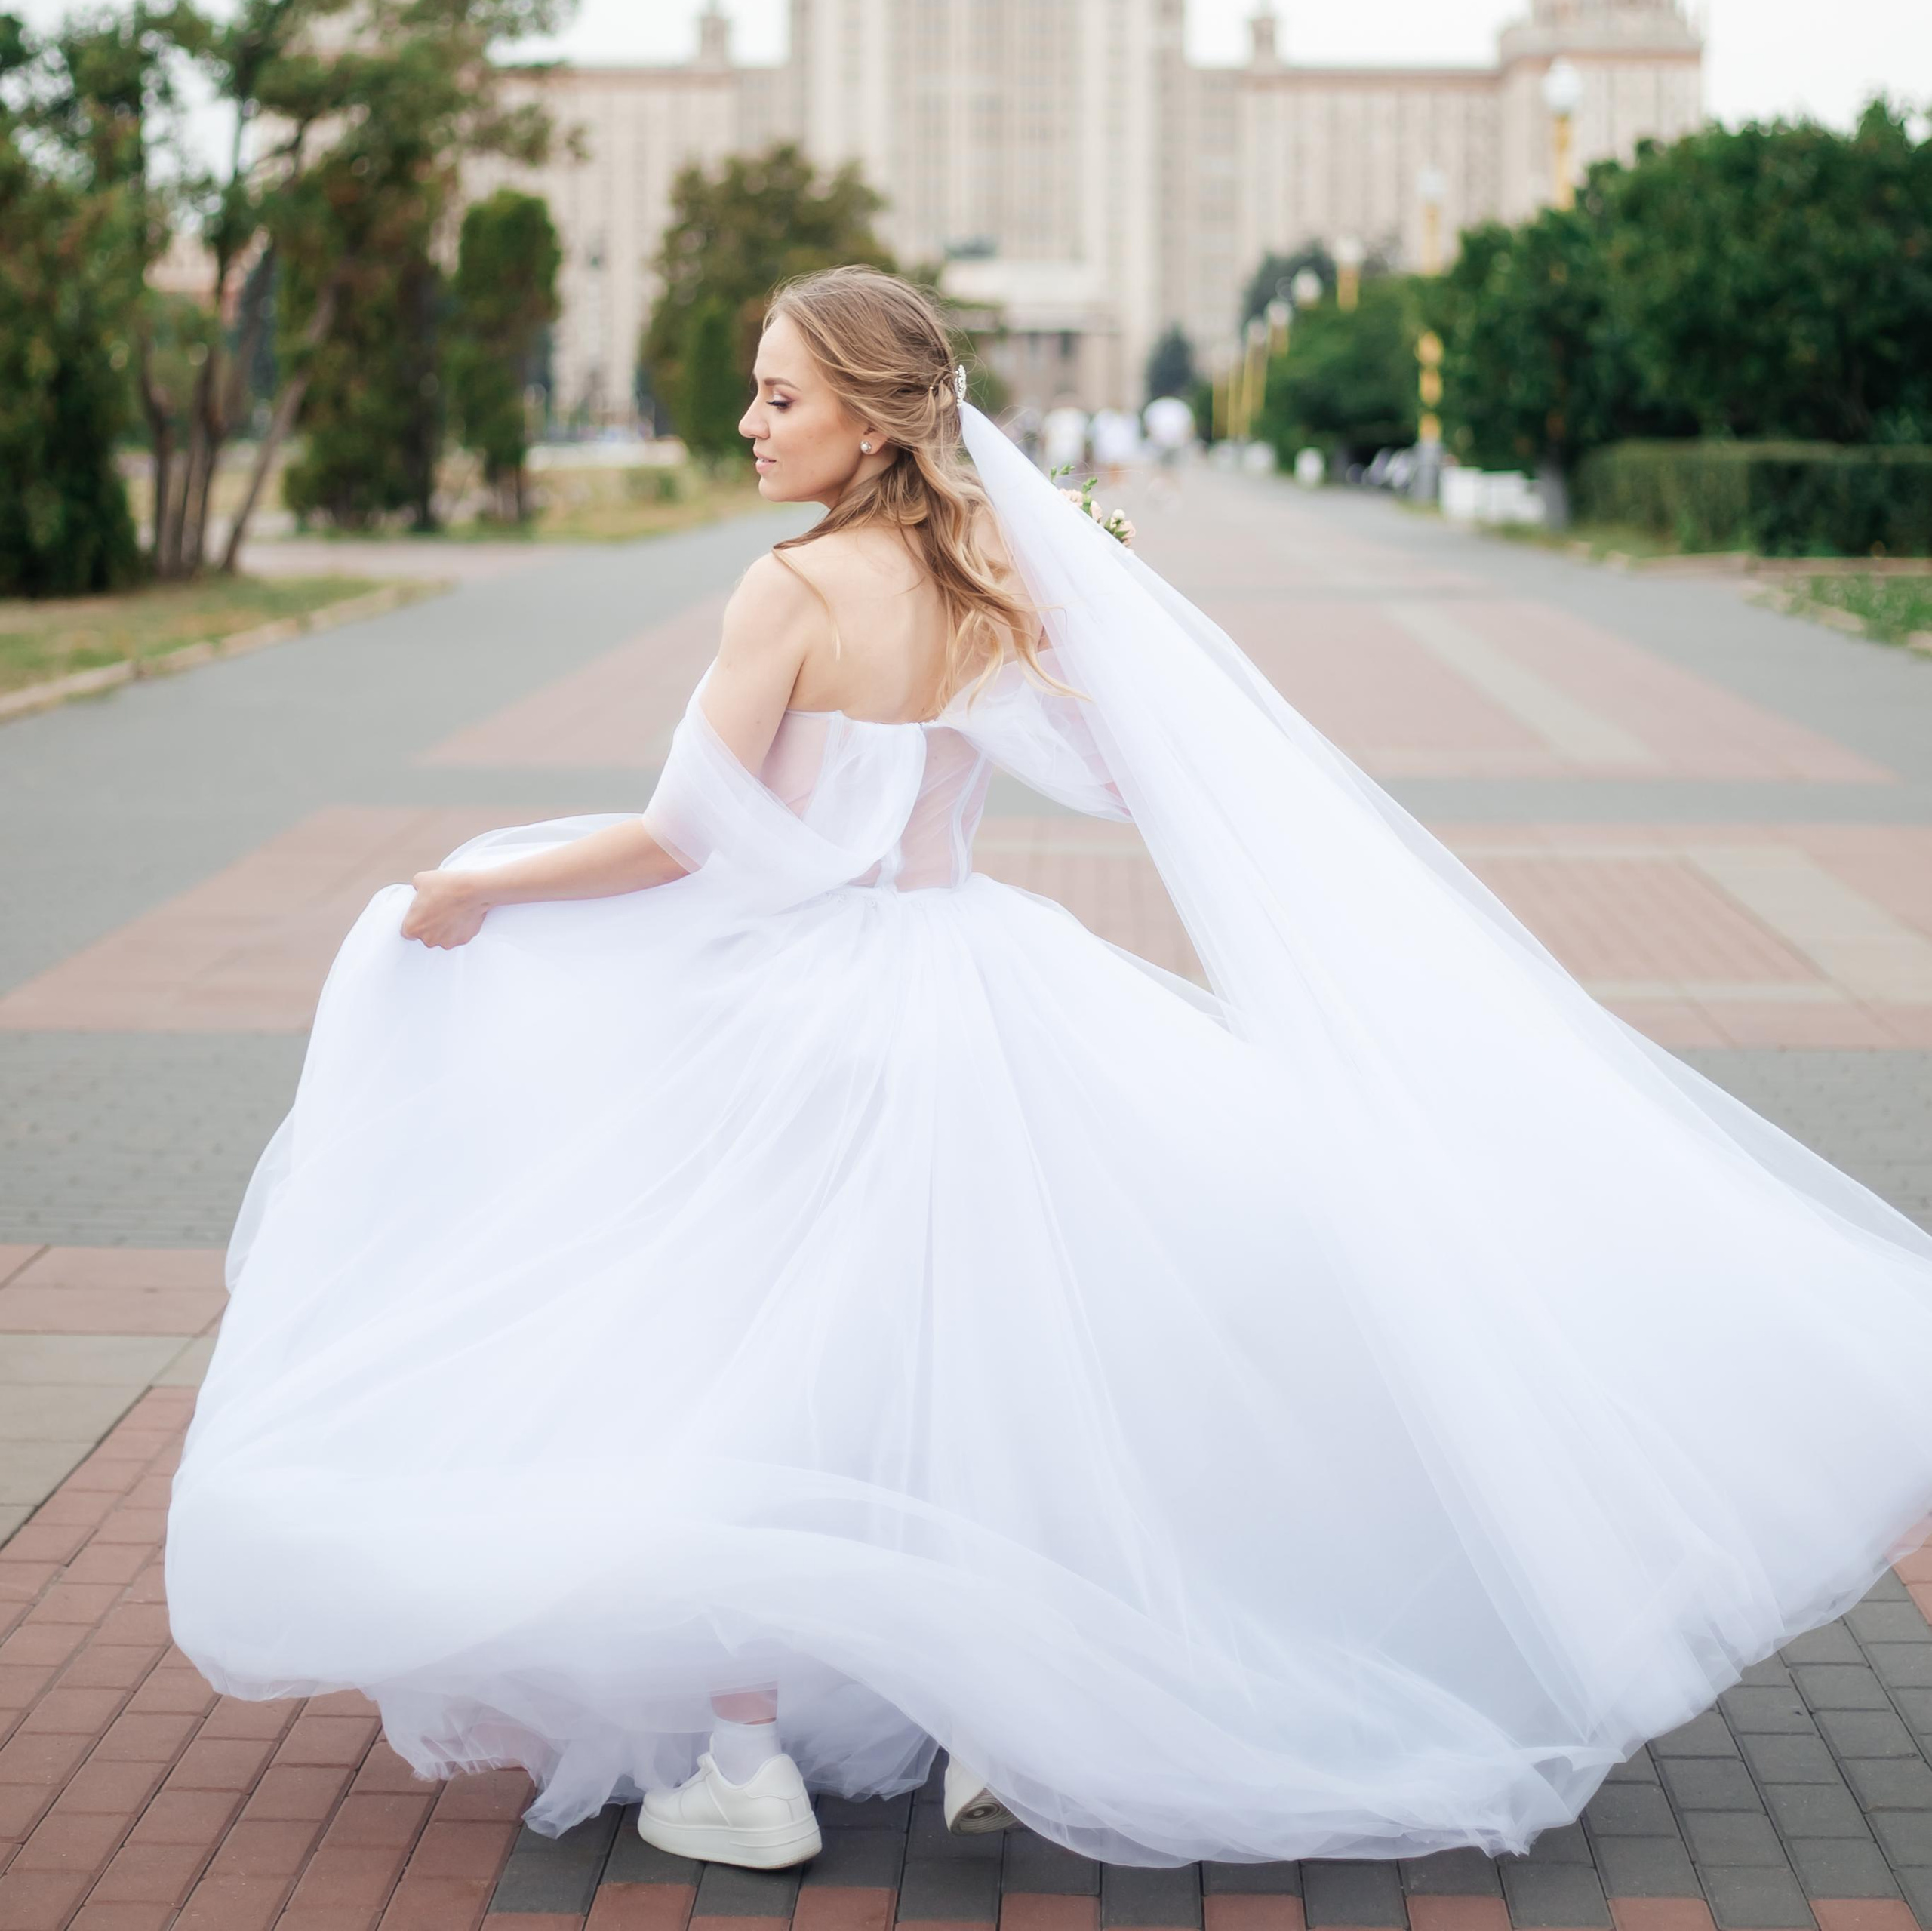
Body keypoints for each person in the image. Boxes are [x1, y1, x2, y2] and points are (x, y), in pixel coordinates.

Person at [167, 267, 1932, 1876]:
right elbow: (1123, 752)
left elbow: (684, 839)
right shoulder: (1003, 571)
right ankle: (1002, 1723)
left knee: (748, 1353)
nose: (749, 422)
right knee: (984, 1344)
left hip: (807, 1010)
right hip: (983, 981)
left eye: (777, 395)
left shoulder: (786, 589)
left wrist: (476, 883)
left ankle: (745, 1755)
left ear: (866, 412)